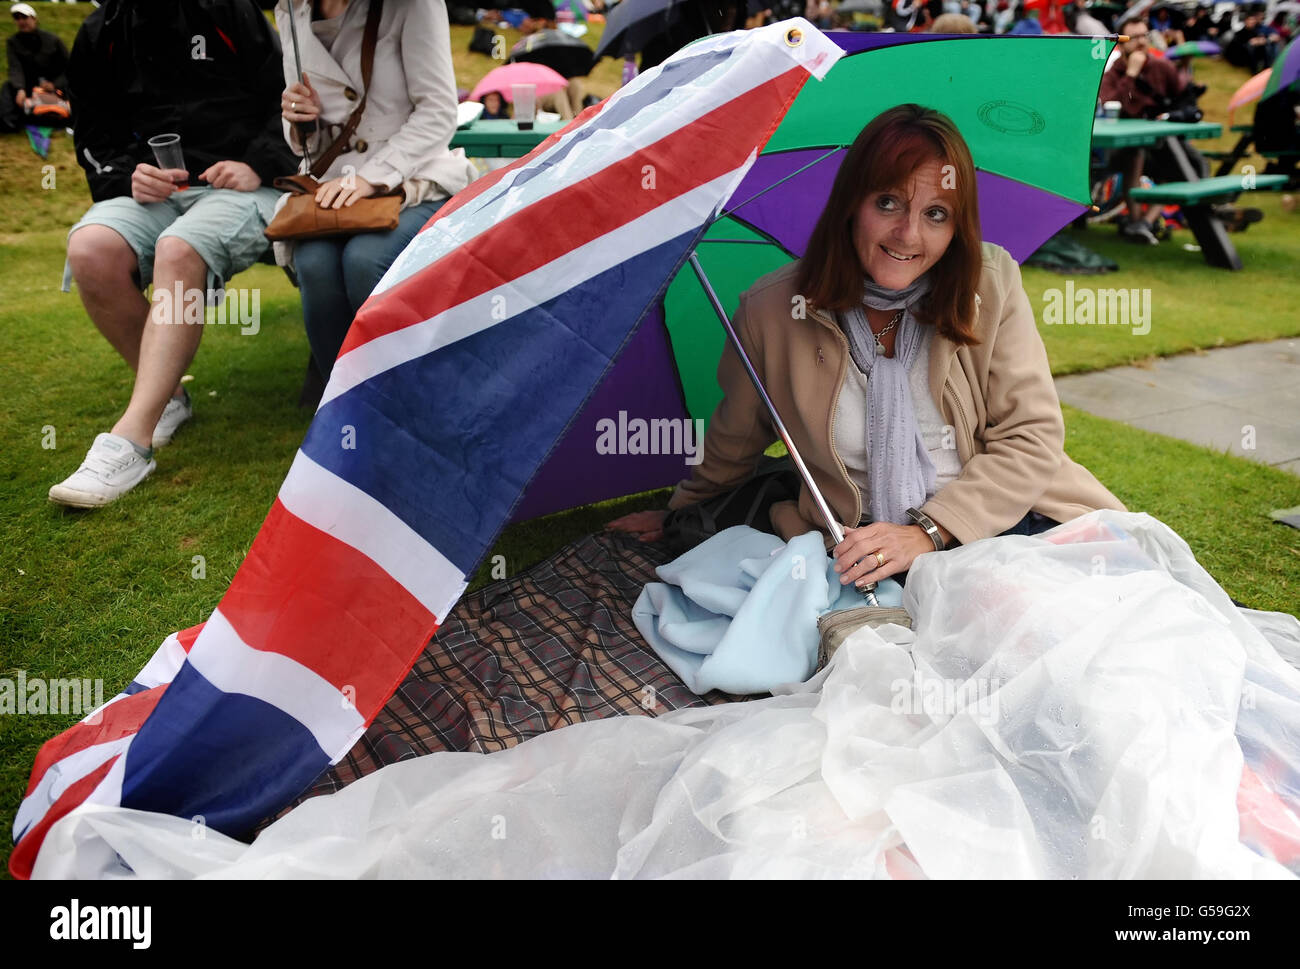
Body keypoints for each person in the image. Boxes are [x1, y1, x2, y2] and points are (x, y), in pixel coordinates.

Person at [608, 104, 1125, 592]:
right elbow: (734, 439)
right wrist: (685, 511)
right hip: (861, 548)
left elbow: (1030, 437)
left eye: (937, 214)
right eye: (888, 203)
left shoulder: (989, 284)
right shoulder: (773, 311)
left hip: (1004, 523)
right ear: (852, 203)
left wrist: (929, 533)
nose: (908, 234)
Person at [48, 0, 298, 509]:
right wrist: (127, 176)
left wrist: (256, 162)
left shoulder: (232, 12)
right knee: (90, 248)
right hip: (156, 192)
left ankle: (130, 441)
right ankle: (169, 399)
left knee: (180, 248)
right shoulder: (102, 31)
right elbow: (94, 140)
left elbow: (289, 103)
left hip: (249, 186)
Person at [275, 0, 479, 381]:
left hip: (413, 175)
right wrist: (302, 120)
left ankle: (411, 395)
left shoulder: (414, 5)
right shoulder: (291, 10)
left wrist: (373, 178)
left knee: (365, 261)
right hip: (332, 185)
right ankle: (342, 409)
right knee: (314, 265)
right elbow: (308, 144)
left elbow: (437, 112)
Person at [2, 3, 71, 133]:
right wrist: (20, 89)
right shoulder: (13, 42)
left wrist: (55, 84)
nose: (21, 21)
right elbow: (15, 68)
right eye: (17, 18)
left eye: (24, 17)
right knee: (8, 87)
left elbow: (69, 68)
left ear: (34, 19)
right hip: (29, 85)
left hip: (55, 85)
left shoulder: (53, 40)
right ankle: (9, 123)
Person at [1224, 8, 1280, 74]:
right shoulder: (1240, 32)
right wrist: (1251, 42)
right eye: (1250, 20)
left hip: (1251, 55)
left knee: (1265, 46)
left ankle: (1267, 68)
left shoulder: (1255, 31)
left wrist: (1260, 41)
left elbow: (1261, 39)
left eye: (1253, 20)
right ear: (1245, 21)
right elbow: (1238, 46)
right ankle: (1254, 70)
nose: (1252, 22)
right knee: (1252, 45)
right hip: (1239, 57)